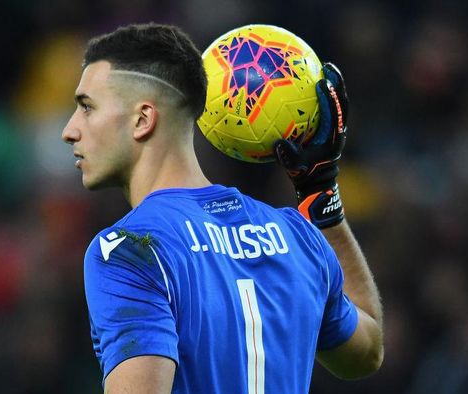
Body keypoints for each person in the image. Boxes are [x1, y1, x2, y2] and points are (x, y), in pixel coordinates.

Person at [61, 23, 383, 394]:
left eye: (87, 107)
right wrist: (320, 191)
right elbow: (367, 352)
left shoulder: (130, 249)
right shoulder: (297, 236)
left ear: (142, 119)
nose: (70, 129)